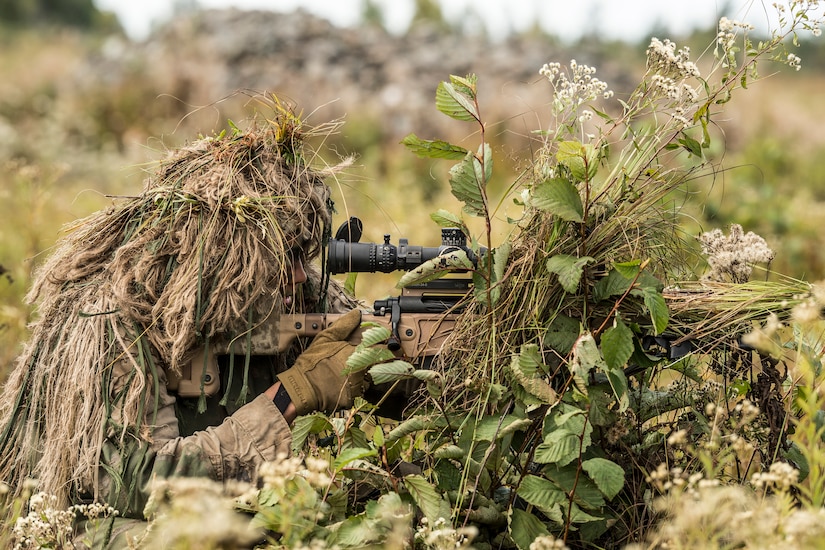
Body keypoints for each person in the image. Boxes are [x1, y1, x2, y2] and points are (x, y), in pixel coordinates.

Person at [0, 101, 366, 547]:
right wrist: (290, 397)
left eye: (301, 254)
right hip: (92, 520)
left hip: (235, 501)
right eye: (280, 257)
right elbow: (138, 483)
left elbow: (373, 337)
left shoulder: (292, 287)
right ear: (224, 259)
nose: (298, 274)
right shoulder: (112, 315)